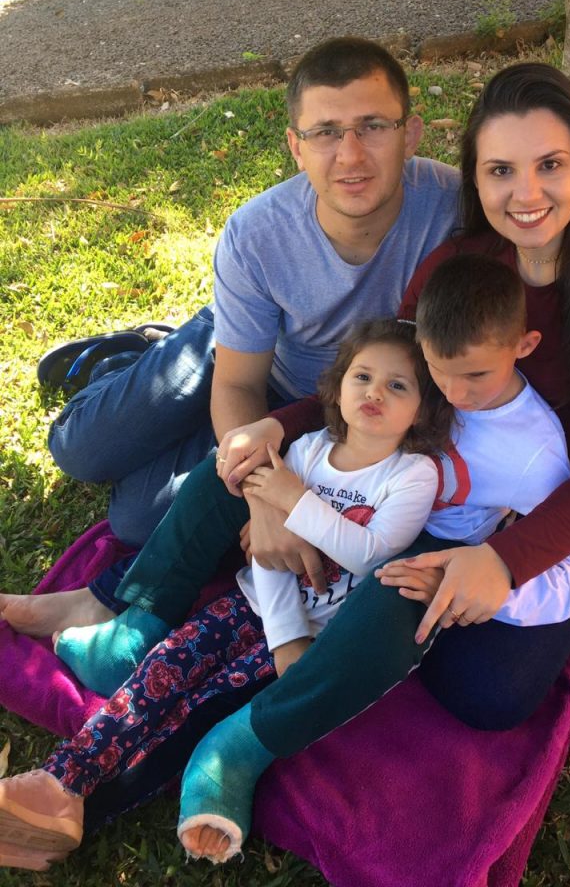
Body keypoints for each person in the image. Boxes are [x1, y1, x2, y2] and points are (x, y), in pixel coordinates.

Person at [152, 59, 570, 860]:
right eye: (501, 169)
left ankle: (272, 709)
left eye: (550, 164)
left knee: (485, 691)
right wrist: (282, 422)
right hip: (445, 456)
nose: (527, 193)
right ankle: (179, 663)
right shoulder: (460, 267)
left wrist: (504, 561)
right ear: (473, 177)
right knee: (265, 478)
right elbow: (392, 374)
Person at [0, 252, 570, 868]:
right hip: (274, 587)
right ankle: (129, 632)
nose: (455, 395)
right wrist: (273, 487)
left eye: (469, 377)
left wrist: (495, 576)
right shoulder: (341, 430)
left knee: (242, 680)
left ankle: (158, 774)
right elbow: (349, 402)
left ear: (523, 347)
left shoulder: (520, 451)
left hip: (381, 576)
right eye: (440, 373)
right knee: (227, 475)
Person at [0, 36, 459, 638]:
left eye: (373, 125)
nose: (350, 154)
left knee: (136, 520)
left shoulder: (454, 207)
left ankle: (165, 419)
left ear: (412, 133)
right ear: (295, 146)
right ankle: (121, 362)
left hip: (311, 407)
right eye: (325, 131)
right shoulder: (258, 232)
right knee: (77, 450)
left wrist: (268, 487)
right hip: (240, 355)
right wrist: (266, 501)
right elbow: (239, 381)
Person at [0, 318, 451, 870]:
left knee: (203, 705)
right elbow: (265, 553)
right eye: (363, 376)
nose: (375, 392)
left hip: (317, 634)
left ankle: (88, 806)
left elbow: (369, 555)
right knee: (161, 671)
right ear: (336, 388)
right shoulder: (306, 450)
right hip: (256, 606)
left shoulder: (412, 475)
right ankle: (59, 778)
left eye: (398, 385)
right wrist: (282, 627)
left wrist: (293, 500)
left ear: (424, 408)